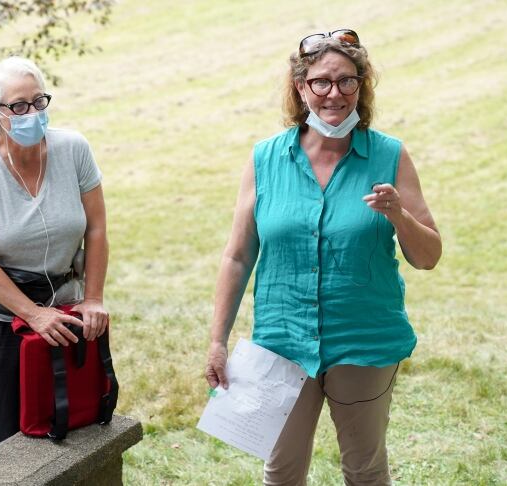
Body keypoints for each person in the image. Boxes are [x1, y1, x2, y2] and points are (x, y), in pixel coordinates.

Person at [204, 29, 441, 485]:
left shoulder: (389, 155)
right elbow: (237, 256)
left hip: (364, 342)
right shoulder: (265, 158)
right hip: (282, 340)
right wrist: (217, 340)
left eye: (347, 81)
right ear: (301, 88)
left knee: (365, 468)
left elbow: (428, 256)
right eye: (321, 82)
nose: (335, 93)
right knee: (282, 469)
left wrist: (398, 215)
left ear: (361, 86)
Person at [0, 56, 109, 449]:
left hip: (66, 302)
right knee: (9, 436)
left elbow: (97, 228)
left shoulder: (73, 149)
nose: (32, 113)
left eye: (39, 102)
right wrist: (33, 314)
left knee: (71, 421)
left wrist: (92, 298)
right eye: (18, 105)